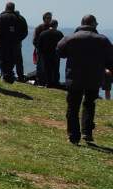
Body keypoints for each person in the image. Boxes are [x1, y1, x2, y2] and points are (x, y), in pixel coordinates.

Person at [56, 15, 113, 145]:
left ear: (82, 23)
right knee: (89, 104)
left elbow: (59, 51)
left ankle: (73, 136)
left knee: (73, 106)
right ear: (93, 24)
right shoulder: (102, 40)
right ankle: (87, 132)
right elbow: (111, 58)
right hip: (94, 78)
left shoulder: (71, 38)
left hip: (74, 77)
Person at [0, 2, 25, 83]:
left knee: (2, 60)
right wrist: (18, 39)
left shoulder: (1, 17)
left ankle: (5, 76)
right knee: (12, 60)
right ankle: (9, 76)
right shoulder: (19, 18)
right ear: (14, 8)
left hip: (3, 43)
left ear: (6, 7)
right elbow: (25, 31)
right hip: (15, 44)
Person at [35, 20, 63, 89]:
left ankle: (48, 83)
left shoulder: (43, 33)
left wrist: (41, 53)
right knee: (56, 69)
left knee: (47, 69)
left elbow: (39, 45)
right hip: (56, 54)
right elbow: (62, 44)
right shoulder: (59, 33)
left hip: (46, 55)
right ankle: (56, 83)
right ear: (56, 25)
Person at [11, 5, 29, 81]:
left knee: (10, 59)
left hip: (12, 42)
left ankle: (8, 73)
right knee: (18, 60)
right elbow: (25, 32)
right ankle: (20, 76)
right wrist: (20, 39)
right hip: (18, 42)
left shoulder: (12, 19)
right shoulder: (22, 19)